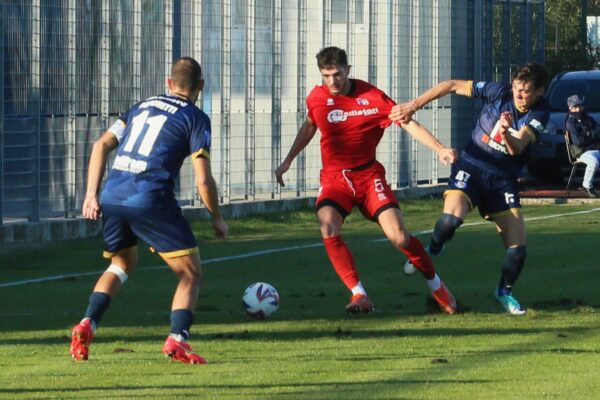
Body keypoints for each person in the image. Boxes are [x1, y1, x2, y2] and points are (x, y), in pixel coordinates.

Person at [275, 46, 458, 315]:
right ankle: (359, 294)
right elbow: (310, 124)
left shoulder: (372, 97)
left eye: (336, 74)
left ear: (348, 70)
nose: (332, 81)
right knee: (328, 227)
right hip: (336, 179)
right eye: (326, 75)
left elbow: (407, 122)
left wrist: (440, 148)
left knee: (400, 237)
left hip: (369, 176)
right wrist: (288, 159)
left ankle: (437, 286)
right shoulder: (316, 98)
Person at [70, 57, 228, 364]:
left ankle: (87, 323)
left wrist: (91, 195)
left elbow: (101, 144)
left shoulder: (140, 106)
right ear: (201, 87)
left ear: (169, 83)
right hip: (150, 198)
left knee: (121, 266)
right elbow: (203, 178)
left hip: (113, 196)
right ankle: (177, 339)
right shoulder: (196, 118)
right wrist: (217, 218)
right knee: (191, 274)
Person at [391, 63, 550, 315]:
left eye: (525, 91)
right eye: (517, 88)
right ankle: (433, 248)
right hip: (472, 168)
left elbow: (517, 147)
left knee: (518, 250)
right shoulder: (499, 92)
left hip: (503, 181)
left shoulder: (541, 113)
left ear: (539, 92)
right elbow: (451, 85)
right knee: (449, 221)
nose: (518, 95)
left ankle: (504, 292)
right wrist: (413, 105)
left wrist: (506, 131)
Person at [564, 94, 600, 198]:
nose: (579, 109)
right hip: (580, 151)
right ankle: (587, 186)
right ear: (570, 108)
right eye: (576, 106)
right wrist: (592, 134)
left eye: (581, 106)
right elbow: (579, 142)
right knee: (594, 162)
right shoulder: (570, 122)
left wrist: (589, 134)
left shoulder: (588, 118)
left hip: (594, 148)